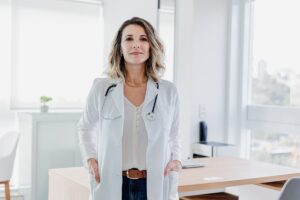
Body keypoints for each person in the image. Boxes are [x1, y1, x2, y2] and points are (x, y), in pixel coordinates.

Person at [77, 17, 181, 200]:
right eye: (129, 39)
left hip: (153, 184)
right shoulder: (102, 89)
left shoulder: (168, 91)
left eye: (143, 39)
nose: (136, 45)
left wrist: (177, 160)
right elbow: (85, 127)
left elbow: (174, 134)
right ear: (120, 47)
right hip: (113, 183)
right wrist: (90, 158)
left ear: (151, 46)